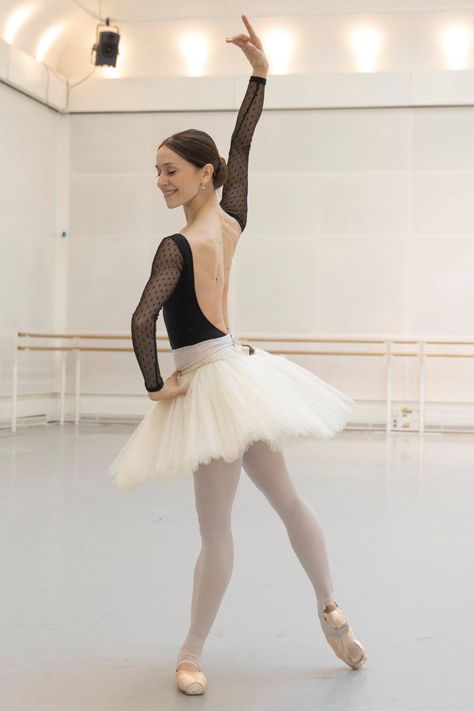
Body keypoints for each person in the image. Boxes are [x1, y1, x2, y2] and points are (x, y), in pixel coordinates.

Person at [108, 14, 367, 696]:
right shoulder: (231, 219)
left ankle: (191, 653)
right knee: (287, 501)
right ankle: (330, 604)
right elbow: (243, 142)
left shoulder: (175, 247)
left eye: (169, 170)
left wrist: (156, 384)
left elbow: (141, 319)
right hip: (245, 375)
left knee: (216, 532)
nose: (160, 181)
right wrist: (260, 72)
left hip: (211, 385)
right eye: (157, 171)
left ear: (201, 174)